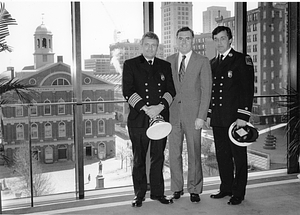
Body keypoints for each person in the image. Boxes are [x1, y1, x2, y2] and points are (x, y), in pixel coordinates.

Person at [122, 31, 176, 207]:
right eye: (147, 44)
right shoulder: (130, 65)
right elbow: (128, 91)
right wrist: (146, 109)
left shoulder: (164, 66)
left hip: (160, 118)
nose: (150, 48)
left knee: (158, 157)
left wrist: (159, 108)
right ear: (141, 46)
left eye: (153, 45)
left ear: (157, 47)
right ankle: (139, 194)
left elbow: (170, 91)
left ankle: (158, 193)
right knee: (139, 158)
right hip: (139, 119)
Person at [207, 26, 255, 205]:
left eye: (222, 38)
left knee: (239, 156)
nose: (219, 42)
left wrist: (243, 116)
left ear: (230, 40)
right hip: (218, 118)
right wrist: (210, 114)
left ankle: (238, 192)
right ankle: (226, 187)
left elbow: (247, 90)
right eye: (216, 39)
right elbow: (212, 93)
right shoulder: (212, 63)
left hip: (235, 119)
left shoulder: (242, 60)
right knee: (222, 155)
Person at [166, 26, 212, 203]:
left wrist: (201, 116)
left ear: (192, 40)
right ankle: (176, 188)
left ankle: (194, 188)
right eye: (180, 38)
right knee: (174, 154)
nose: (184, 41)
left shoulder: (202, 61)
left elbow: (206, 90)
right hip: (173, 116)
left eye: (187, 38)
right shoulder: (169, 61)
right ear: (176, 40)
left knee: (194, 153)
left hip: (194, 117)